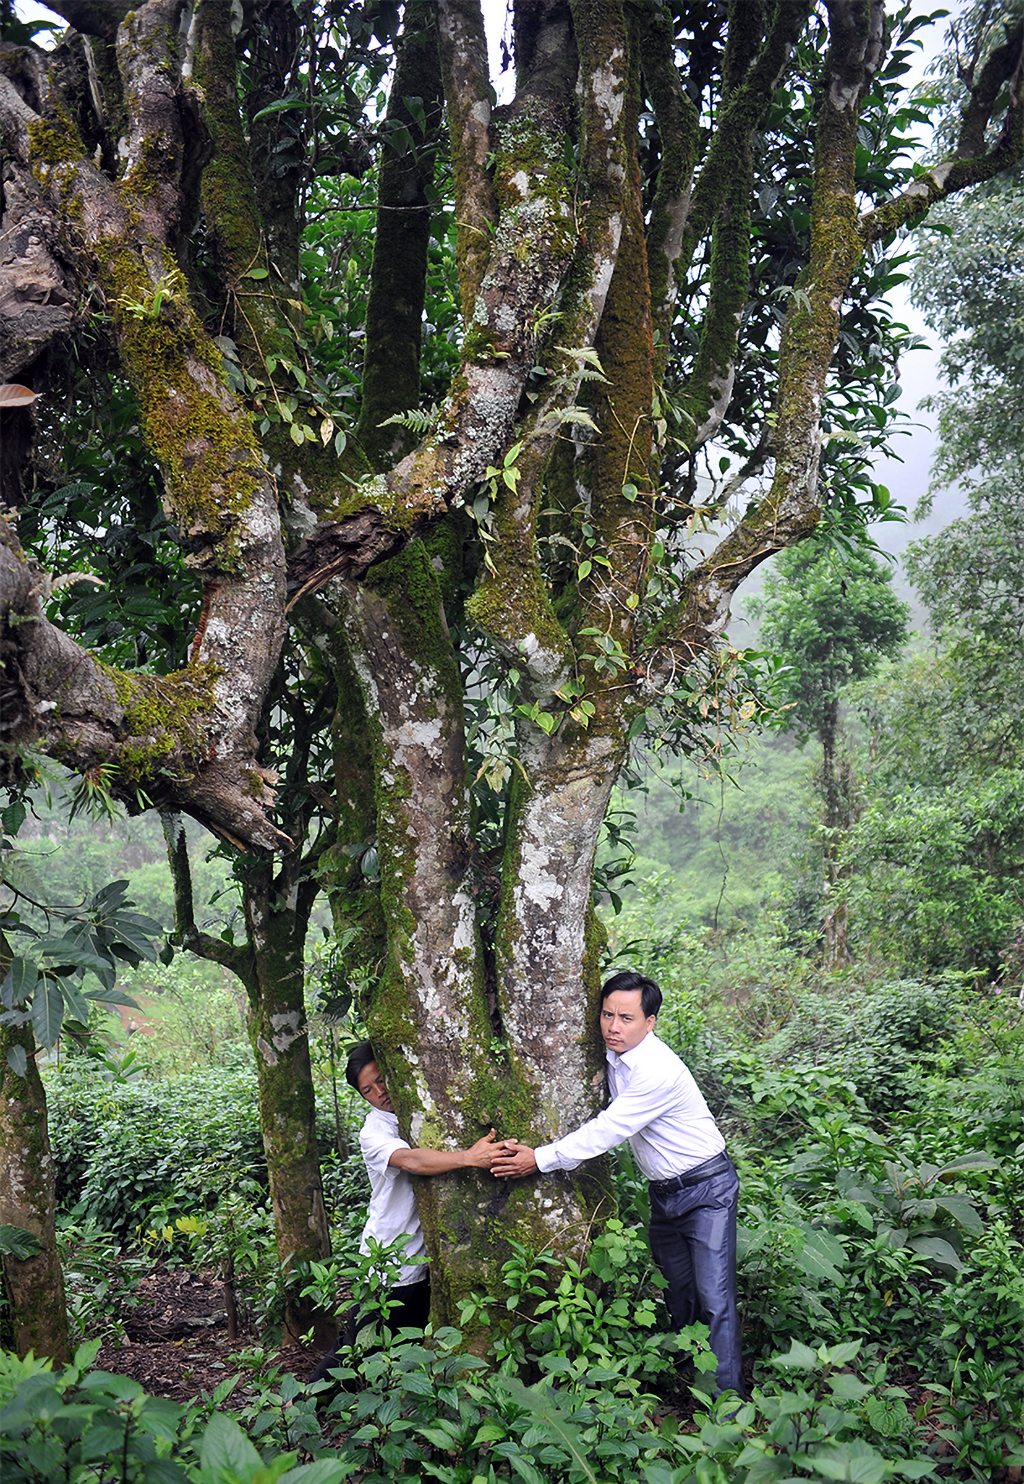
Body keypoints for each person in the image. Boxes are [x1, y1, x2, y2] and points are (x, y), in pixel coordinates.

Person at [490, 970, 744, 1399]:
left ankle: (730, 1404)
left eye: (626, 1018)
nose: (613, 1027)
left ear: (651, 1022)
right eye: (607, 1015)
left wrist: (539, 1158)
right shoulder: (612, 1057)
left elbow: (608, 1130)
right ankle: (692, 1382)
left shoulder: (656, 1070)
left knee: (714, 1299)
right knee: (678, 1294)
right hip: (664, 1195)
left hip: (707, 1191)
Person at [309, 1041, 500, 1383]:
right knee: (356, 1346)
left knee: (410, 1346)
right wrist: (470, 1157)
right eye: (368, 1090)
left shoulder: (421, 1111)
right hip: (390, 1261)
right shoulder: (375, 1132)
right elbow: (411, 1160)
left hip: (427, 1260)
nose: (379, 1093)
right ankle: (298, 1407)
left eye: (381, 1080)